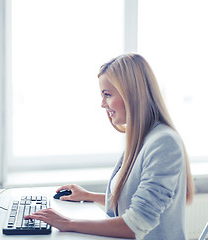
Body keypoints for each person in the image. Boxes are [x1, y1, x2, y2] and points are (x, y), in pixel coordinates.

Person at [25, 53, 195, 239]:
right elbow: (132, 200)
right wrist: (89, 195)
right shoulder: (142, 138)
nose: (102, 104)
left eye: (107, 94)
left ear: (131, 94)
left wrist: (67, 223)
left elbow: (136, 224)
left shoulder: (163, 143)